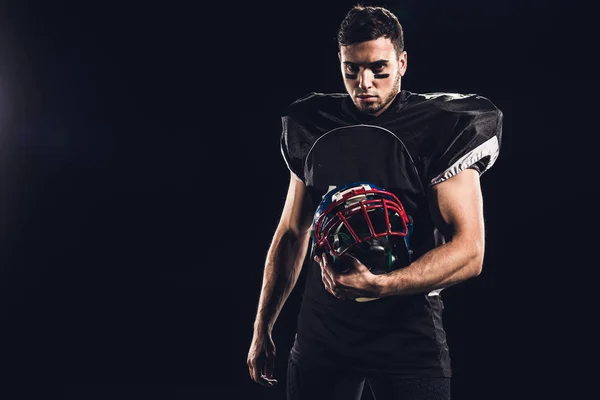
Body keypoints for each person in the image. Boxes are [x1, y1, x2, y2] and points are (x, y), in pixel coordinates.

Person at [247, 4, 503, 400]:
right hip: (323, 336)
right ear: (340, 61)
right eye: (352, 69)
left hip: (406, 338)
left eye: (379, 69)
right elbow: (293, 233)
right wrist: (263, 325)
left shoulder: (439, 126)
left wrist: (381, 285)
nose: (364, 82)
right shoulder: (312, 124)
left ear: (402, 63)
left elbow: (470, 250)